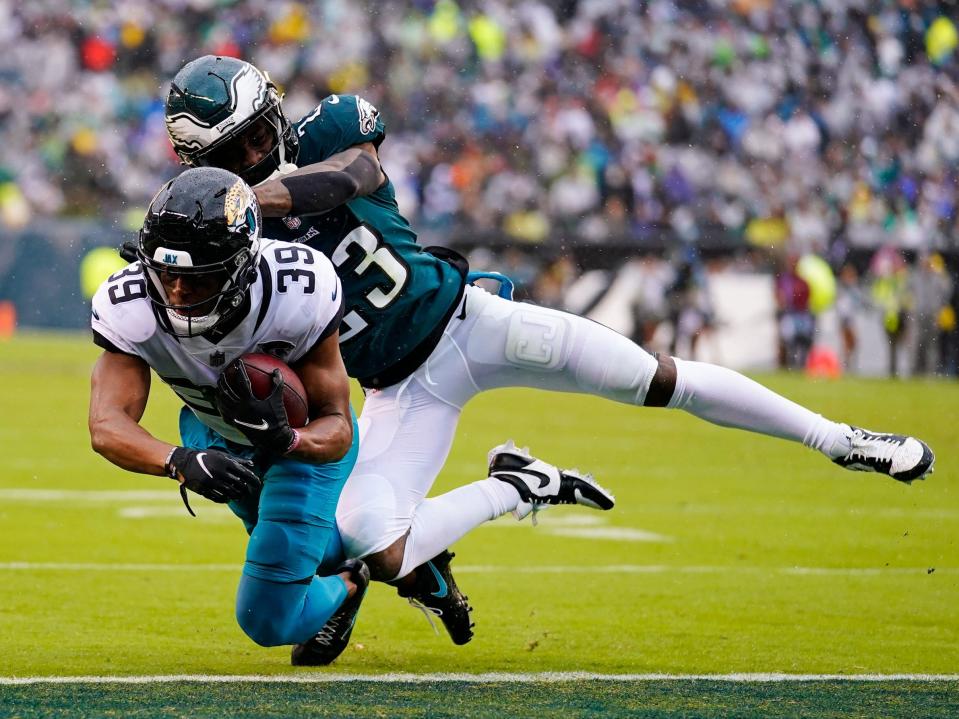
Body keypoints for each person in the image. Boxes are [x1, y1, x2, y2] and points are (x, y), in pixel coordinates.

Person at [162, 54, 936, 652]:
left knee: (651, 376)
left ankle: (840, 439)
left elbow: (359, 171)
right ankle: (519, 486)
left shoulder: (323, 135)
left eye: (265, 129)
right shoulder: (218, 233)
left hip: (471, 322)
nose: (263, 148)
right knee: (376, 545)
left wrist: (256, 198)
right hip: (399, 390)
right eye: (244, 146)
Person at [97, 167, 613, 666]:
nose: (178, 292)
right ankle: (412, 569)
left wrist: (285, 440)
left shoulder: (298, 289)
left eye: (198, 277)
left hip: (299, 444)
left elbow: (338, 428)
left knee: (267, 618)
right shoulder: (131, 302)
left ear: (240, 265)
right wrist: (179, 460)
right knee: (316, 553)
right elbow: (107, 425)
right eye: (165, 274)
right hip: (214, 434)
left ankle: (355, 583)